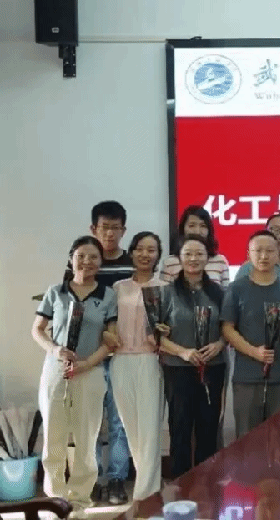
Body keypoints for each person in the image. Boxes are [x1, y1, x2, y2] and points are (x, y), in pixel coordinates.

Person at [32, 236, 117, 513]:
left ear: (101, 262)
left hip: (89, 373)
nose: (86, 261)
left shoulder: (108, 295)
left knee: (86, 438)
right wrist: (55, 350)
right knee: (54, 437)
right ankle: (55, 500)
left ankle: (80, 500)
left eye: (93, 257)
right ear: (71, 258)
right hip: (55, 371)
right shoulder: (55, 292)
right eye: (81, 256)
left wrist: (87, 363)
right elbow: (37, 329)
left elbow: (111, 340)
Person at [104, 232, 167, 501]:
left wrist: (165, 332)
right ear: (131, 252)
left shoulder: (165, 287)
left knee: (150, 428)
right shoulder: (118, 288)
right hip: (120, 361)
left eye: (151, 250)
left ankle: (145, 494)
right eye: (140, 249)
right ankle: (149, 486)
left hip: (151, 360)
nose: (145, 254)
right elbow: (107, 322)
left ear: (158, 255)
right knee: (131, 429)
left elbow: (171, 325)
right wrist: (107, 335)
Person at [158, 233, 227, 478]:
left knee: (208, 427)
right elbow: (155, 336)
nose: (194, 258)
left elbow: (230, 328)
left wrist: (220, 344)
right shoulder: (167, 293)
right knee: (180, 428)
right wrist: (183, 352)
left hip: (213, 368)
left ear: (208, 258)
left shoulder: (219, 293)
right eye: (188, 253)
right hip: (178, 369)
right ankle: (180, 485)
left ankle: (206, 484)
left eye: (199, 253)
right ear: (179, 258)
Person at [221, 230, 280, 438]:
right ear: (248, 254)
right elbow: (227, 328)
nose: (264, 256)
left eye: (269, 251)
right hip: (247, 377)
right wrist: (254, 352)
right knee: (247, 439)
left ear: (277, 254)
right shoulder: (236, 288)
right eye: (258, 251)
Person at [87, 201, 132, 505]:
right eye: (105, 227)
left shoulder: (131, 265)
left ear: (123, 230)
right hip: (89, 358)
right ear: (94, 229)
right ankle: (91, 479)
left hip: (122, 356)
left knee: (119, 422)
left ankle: (116, 479)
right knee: (90, 422)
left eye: (116, 228)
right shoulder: (83, 260)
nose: (110, 233)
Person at [160, 205, 230, 286]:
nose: (197, 231)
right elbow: (165, 293)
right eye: (192, 225)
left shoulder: (220, 261)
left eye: (203, 226)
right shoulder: (169, 263)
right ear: (183, 228)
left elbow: (225, 293)